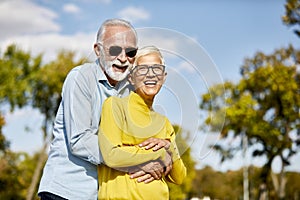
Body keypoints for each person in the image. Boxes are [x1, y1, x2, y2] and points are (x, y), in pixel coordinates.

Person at [38, 19, 171, 200]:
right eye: (115, 50)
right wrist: (138, 161)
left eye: (130, 52)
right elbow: (80, 140)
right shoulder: (81, 78)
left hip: (102, 194)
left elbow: (142, 134)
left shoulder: (132, 88)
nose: (123, 58)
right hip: (66, 191)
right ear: (98, 50)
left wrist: (163, 148)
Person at [98, 45, 187, 199]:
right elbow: (110, 155)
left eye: (156, 69)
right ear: (131, 77)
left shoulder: (163, 122)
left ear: (164, 77)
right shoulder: (114, 106)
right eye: (143, 69)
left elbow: (179, 177)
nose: (150, 75)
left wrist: (169, 147)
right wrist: (160, 154)